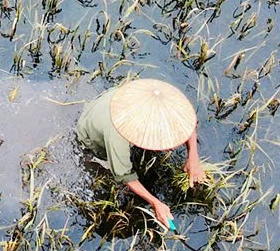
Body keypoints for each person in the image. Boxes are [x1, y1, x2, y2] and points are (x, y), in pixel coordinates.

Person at [76, 78, 205, 229]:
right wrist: (155, 202)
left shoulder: (164, 98)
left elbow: (188, 122)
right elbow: (124, 175)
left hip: (111, 101)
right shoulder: (118, 136)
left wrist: (193, 157)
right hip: (92, 133)